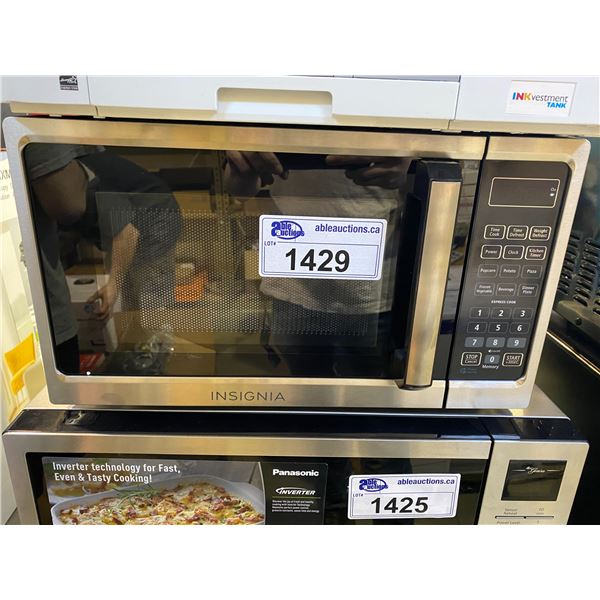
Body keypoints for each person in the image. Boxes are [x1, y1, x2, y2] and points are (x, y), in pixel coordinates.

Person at [224, 151, 410, 377]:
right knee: (305, 380)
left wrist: (411, 166)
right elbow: (238, 189)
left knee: (364, 383)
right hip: (293, 283)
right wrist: (242, 167)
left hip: (371, 288)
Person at [24, 144, 182, 374]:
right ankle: (139, 356)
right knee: (129, 301)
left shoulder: (74, 188)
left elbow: (127, 233)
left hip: (156, 217)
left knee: (149, 302)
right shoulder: (58, 186)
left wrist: (113, 284)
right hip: (130, 219)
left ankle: (157, 364)